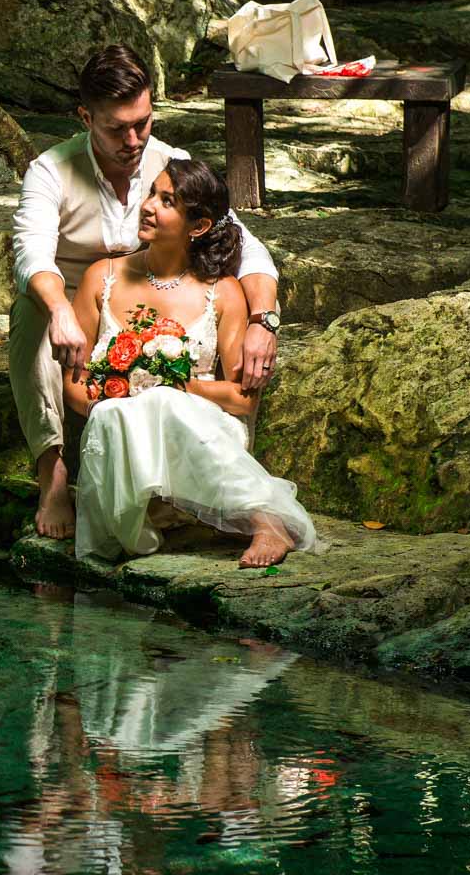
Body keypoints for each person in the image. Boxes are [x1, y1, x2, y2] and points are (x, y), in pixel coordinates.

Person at [8, 44, 285, 539]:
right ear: (85, 117)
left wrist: (263, 320)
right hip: (77, 295)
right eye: (117, 128)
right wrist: (60, 310)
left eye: (143, 122)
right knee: (31, 312)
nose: (133, 139)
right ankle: (52, 472)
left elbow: (244, 245)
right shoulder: (50, 170)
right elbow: (31, 253)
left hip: (167, 291)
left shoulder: (170, 166)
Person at [65, 158, 319, 568]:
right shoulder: (101, 278)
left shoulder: (223, 292)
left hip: (202, 432)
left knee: (162, 403)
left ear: (197, 227)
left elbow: (243, 399)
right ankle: (146, 520)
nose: (148, 206)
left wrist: (171, 388)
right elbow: (73, 384)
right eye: (152, 193)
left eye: (167, 202)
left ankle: (267, 521)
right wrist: (113, 403)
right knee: (116, 414)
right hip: (120, 435)